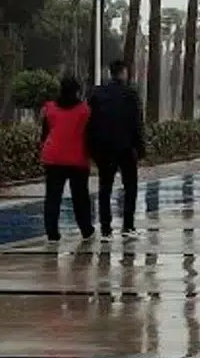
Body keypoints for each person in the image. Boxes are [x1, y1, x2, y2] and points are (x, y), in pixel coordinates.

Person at [88, 59, 144, 239]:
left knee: (105, 188)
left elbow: (90, 122)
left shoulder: (97, 94)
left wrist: (92, 148)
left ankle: (106, 229)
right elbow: (137, 123)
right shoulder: (131, 94)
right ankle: (128, 226)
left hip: (104, 147)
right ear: (123, 72)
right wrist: (140, 147)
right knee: (130, 187)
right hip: (126, 147)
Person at [40, 75, 94, 242]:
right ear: (77, 91)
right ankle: (86, 229)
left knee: (52, 196)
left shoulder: (49, 108)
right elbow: (89, 135)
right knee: (80, 197)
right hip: (77, 158)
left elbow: (45, 133)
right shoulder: (85, 110)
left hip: (53, 157)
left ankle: (52, 232)